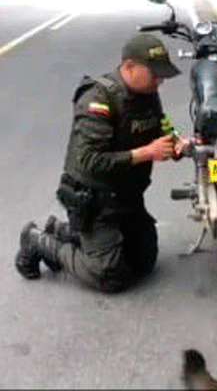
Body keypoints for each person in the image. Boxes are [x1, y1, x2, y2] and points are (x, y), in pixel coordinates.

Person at [15, 33, 187, 293]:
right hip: (95, 199)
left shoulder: (148, 93)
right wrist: (146, 153)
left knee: (144, 261)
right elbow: (88, 160)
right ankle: (38, 240)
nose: (160, 80)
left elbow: (159, 127)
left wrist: (174, 143)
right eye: (154, 73)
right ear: (129, 67)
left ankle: (64, 231)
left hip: (127, 198)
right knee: (108, 275)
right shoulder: (99, 97)